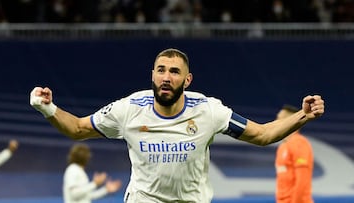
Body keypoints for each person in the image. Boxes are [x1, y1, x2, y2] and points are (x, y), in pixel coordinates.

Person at [29, 48, 325, 203]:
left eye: (174, 72)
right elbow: (78, 128)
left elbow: (262, 134)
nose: (166, 77)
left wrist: (302, 116)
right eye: (161, 70)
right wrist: (48, 108)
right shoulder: (129, 108)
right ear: (153, 76)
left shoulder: (209, 110)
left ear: (187, 80)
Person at [275, 104, 314, 203]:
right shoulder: (283, 146)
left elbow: (302, 180)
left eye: (279, 119)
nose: (275, 122)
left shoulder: (299, 143)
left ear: (290, 121)